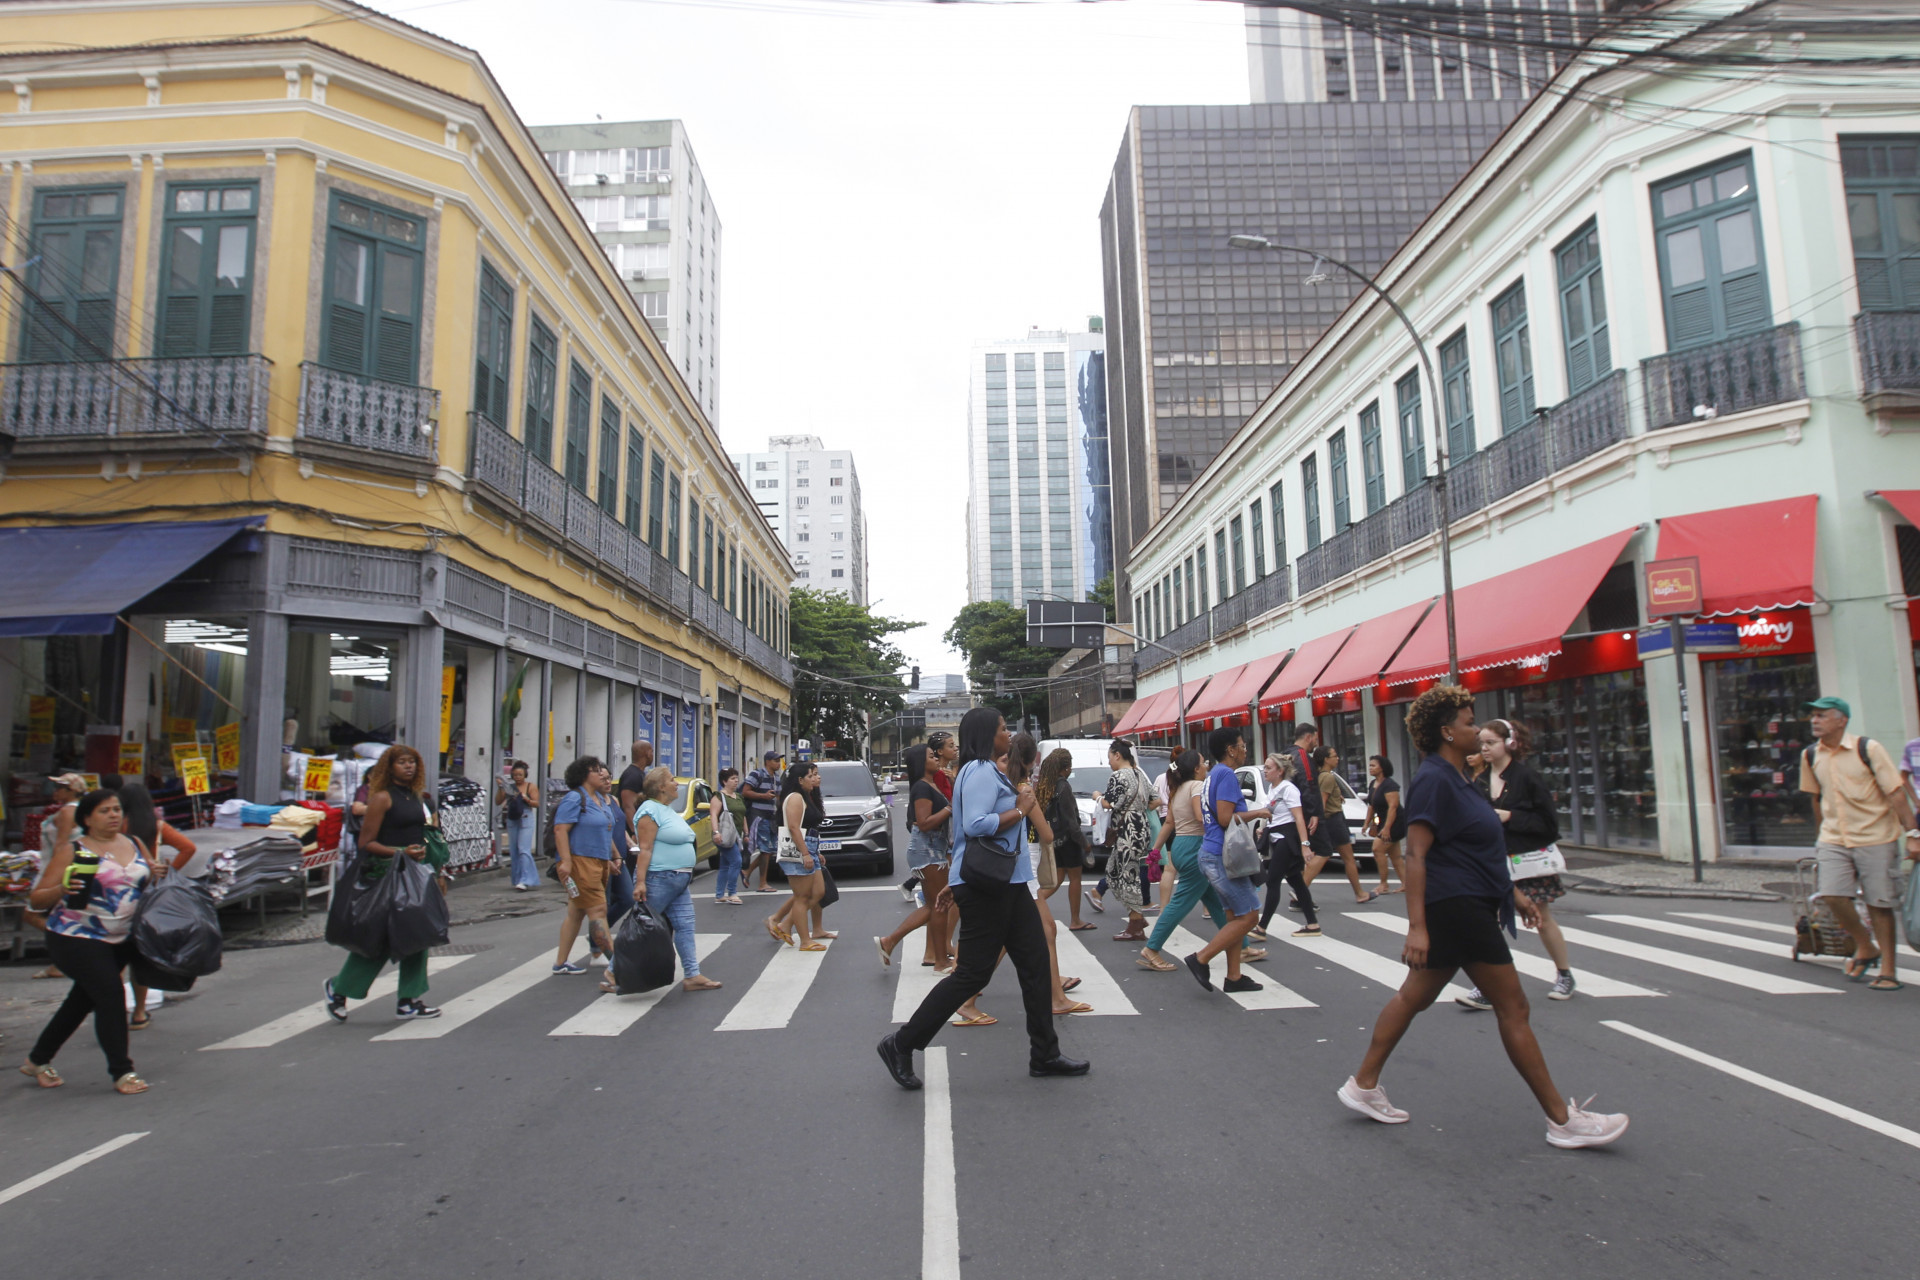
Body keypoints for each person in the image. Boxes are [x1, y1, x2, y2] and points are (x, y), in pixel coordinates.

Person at [1336, 684, 1627, 1148]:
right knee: (1514, 1007)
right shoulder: (1434, 779)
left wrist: (1513, 895)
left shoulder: (1458, 780)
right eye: (1470, 722)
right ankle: (1562, 1121)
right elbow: (1417, 853)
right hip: (1458, 908)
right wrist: (1416, 927)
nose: (1477, 729)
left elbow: (1472, 848)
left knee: (1414, 997)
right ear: (1448, 731)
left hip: (1466, 901)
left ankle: (1363, 1085)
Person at [877, 708, 1088, 1090]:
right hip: (991, 888)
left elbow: (962, 835)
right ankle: (901, 1044)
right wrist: (1019, 809)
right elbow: (975, 826)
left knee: (1036, 963)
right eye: (1004, 729)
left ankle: (1045, 1053)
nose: (1009, 734)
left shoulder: (987, 772)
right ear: (988, 735)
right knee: (971, 975)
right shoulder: (977, 772)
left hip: (1007, 884)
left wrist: (956, 878)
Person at [19, 788, 152, 1093]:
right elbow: (37, 899)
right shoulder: (74, 850)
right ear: (88, 819)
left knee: (81, 1002)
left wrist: (157, 872)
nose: (113, 816)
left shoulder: (135, 843)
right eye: (105, 811)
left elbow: (147, 880)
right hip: (74, 937)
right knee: (110, 995)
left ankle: (37, 1059)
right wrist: (62, 890)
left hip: (121, 937)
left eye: (117, 809)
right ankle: (122, 1072)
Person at [1799, 695, 1920, 991]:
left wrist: (1913, 835)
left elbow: (1894, 792)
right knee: (1831, 894)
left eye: (1822, 715)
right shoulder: (1810, 755)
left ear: (1842, 720)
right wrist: (1821, 835)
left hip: (1876, 835)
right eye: (1812, 716)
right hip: (1834, 836)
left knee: (1880, 903)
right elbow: (1815, 797)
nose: (1815, 720)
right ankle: (1866, 946)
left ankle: (1889, 971)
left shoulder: (1868, 749)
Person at [324, 745, 447, 1022]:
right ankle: (339, 989)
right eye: (402, 762)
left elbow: (427, 834)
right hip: (385, 873)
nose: (409, 766)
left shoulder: (418, 798)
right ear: (389, 767)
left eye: (413, 762)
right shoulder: (381, 798)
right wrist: (400, 852)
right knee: (378, 938)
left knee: (418, 934)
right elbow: (366, 843)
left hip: (415, 872)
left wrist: (438, 872)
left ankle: (408, 1000)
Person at [1457, 720, 1575, 1008]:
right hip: (1493, 862)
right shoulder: (1480, 780)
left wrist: (1510, 817)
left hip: (1528, 860)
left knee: (1541, 918)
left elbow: (1549, 825)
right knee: (1489, 923)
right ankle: (1487, 985)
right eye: (1481, 743)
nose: (1483, 748)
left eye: (1490, 743)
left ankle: (1564, 974)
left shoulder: (1527, 778)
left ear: (1509, 743)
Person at [1180, 727, 1265, 993]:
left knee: (1235, 918)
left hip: (1212, 853)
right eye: (1242, 745)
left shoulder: (1215, 774)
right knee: (1250, 916)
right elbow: (1226, 818)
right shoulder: (1226, 774)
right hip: (1221, 856)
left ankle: (1234, 977)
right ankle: (1201, 958)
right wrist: (1261, 812)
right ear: (1231, 749)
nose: (1245, 749)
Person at [632, 766, 723, 993]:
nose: (675, 784)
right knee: (644, 927)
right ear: (661, 787)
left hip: (678, 880)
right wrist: (640, 882)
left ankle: (692, 975)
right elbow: (644, 849)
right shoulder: (649, 811)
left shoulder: (665, 809)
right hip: (660, 877)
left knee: (685, 926)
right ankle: (613, 971)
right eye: (672, 780)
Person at [1139, 749, 1227, 971]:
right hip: (1195, 847)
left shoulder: (1177, 790)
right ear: (1196, 769)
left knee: (1215, 901)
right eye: (1203, 762)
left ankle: (1239, 944)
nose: (1206, 765)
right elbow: (1200, 816)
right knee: (1180, 903)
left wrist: (1155, 850)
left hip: (1180, 846)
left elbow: (1169, 823)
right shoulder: (1197, 787)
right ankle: (1152, 948)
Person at [118, 782, 196, 1028]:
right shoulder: (157, 826)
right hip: (149, 895)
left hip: (119, 895)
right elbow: (188, 847)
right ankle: (139, 1013)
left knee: (115, 955)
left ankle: (115, 1008)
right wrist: (168, 872)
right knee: (141, 955)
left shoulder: (117, 828)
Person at [876, 744, 954, 970]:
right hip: (926, 849)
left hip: (933, 848)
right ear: (921, 762)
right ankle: (939, 961)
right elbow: (924, 822)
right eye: (931, 756)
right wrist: (950, 809)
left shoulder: (931, 783)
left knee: (934, 906)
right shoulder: (922, 787)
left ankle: (890, 942)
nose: (936, 758)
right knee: (939, 905)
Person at [547, 755, 624, 976]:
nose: (601, 773)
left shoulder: (600, 799)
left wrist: (612, 858)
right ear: (583, 776)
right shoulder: (574, 798)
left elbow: (603, 832)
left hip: (599, 862)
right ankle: (617, 964)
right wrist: (567, 862)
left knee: (576, 911)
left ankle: (561, 962)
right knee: (598, 910)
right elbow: (560, 830)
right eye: (595, 770)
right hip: (581, 862)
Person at [1032, 747, 1093, 1013]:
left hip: (1053, 839)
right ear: (1065, 768)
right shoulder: (1064, 786)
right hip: (1067, 840)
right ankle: (1076, 918)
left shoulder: (1045, 784)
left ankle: (1037, 900)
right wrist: (1084, 842)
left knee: (1055, 879)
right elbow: (1070, 820)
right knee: (1073, 877)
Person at [1254, 752, 1321, 939]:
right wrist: (1264, 830)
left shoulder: (1288, 789)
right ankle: (1313, 923)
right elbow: (1274, 814)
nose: (1265, 771)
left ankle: (1262, 927)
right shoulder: (1273, 789)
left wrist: (1305, 845)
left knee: (1274, 880)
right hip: (1276, 836)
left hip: (1287, 838)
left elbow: (1298, 817)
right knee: (1295, 881)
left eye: (1269, 768)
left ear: (1280, 771)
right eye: (1265, 767)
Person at [1097, 740, 1156, 941]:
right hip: (1142, 828)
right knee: (1116, 871)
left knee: (1127, 875)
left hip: (1127, 831)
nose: (1109, 762)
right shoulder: (1140, 774)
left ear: (1117, 755)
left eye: (1109, 757)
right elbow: (1156, 801)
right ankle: (1136, 918)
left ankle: (1136, 923)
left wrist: (1098, 797)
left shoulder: (1118, 776)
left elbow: (1108, 803)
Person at [769, 762, 831, 950]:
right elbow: (794, 828)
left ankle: (786, 924)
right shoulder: (795, 797)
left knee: (818, 892)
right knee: (802, 897)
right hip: (799, 849)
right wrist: (805, 853)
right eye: (810, 776)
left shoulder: (806, 796)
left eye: (815, 775)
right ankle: (805, 940)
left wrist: (815, 852)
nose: (814, 779)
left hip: (809, 846)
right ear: (800, 779)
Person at [1308, 745, 1376, 904]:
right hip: (1334, 820)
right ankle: (1359, 893)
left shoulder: (1323, 776)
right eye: (1334, 755)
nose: (1337, 758)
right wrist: (1320, 820)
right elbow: (1322, 802)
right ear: (1326, 759)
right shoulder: (1328, 777)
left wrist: (1338, 797)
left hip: (1331, 820)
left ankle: (1301, 890)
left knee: (1324, 855)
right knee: (1347, 858)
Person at [1363, 754, 1406, 896]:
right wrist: (1366, 824)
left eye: (1373, 765)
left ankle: (1384, 884)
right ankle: (1406, 884)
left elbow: (1393, 807)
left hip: (1395, 822)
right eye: (1370, 765)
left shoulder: (1390, 785)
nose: (1370, 768)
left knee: (1377, 849)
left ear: (1382, 768)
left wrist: (1387, 829)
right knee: (1395, 856)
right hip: (1383, 822)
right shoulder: (1373, 784)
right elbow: (1371, 806)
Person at [741, 749, 783, 893]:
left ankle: (747, 872)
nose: (778, 763)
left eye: (779, 761)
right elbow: (745, 791)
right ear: (767, 762)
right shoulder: (757, 774)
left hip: (772, 817)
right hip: (759, 816)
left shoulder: (776, 778)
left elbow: (778, 797)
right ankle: (762, 883)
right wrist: (763, 796)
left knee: (770, 850)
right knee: (765, 850)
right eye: (776, 761)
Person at [497, 760, 540, 890]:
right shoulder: (509, 787)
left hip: (526, 817)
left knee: (523, 849)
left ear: (525, 774)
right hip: (513, 818)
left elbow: (537, 803)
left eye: (520, 774)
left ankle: (526, 879)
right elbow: (498, 801)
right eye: (515, 775)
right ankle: (517, 878)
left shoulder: (530, 786)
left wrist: (526, 798)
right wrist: (501, 788)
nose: (517, 777)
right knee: (514, 850)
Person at [710, 767, 748, 904]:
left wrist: (746, 832)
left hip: (736, 835)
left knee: (725, 865)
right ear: (724, 781)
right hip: (724, 835)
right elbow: (713, 814)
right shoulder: (719, 796)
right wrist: (716, 832)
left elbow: (743, 815)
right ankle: (732, 892)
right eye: (732, 778)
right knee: (736, 861)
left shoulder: (738, 797)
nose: (736, 781)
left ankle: (720, 894)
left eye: (736, 778)